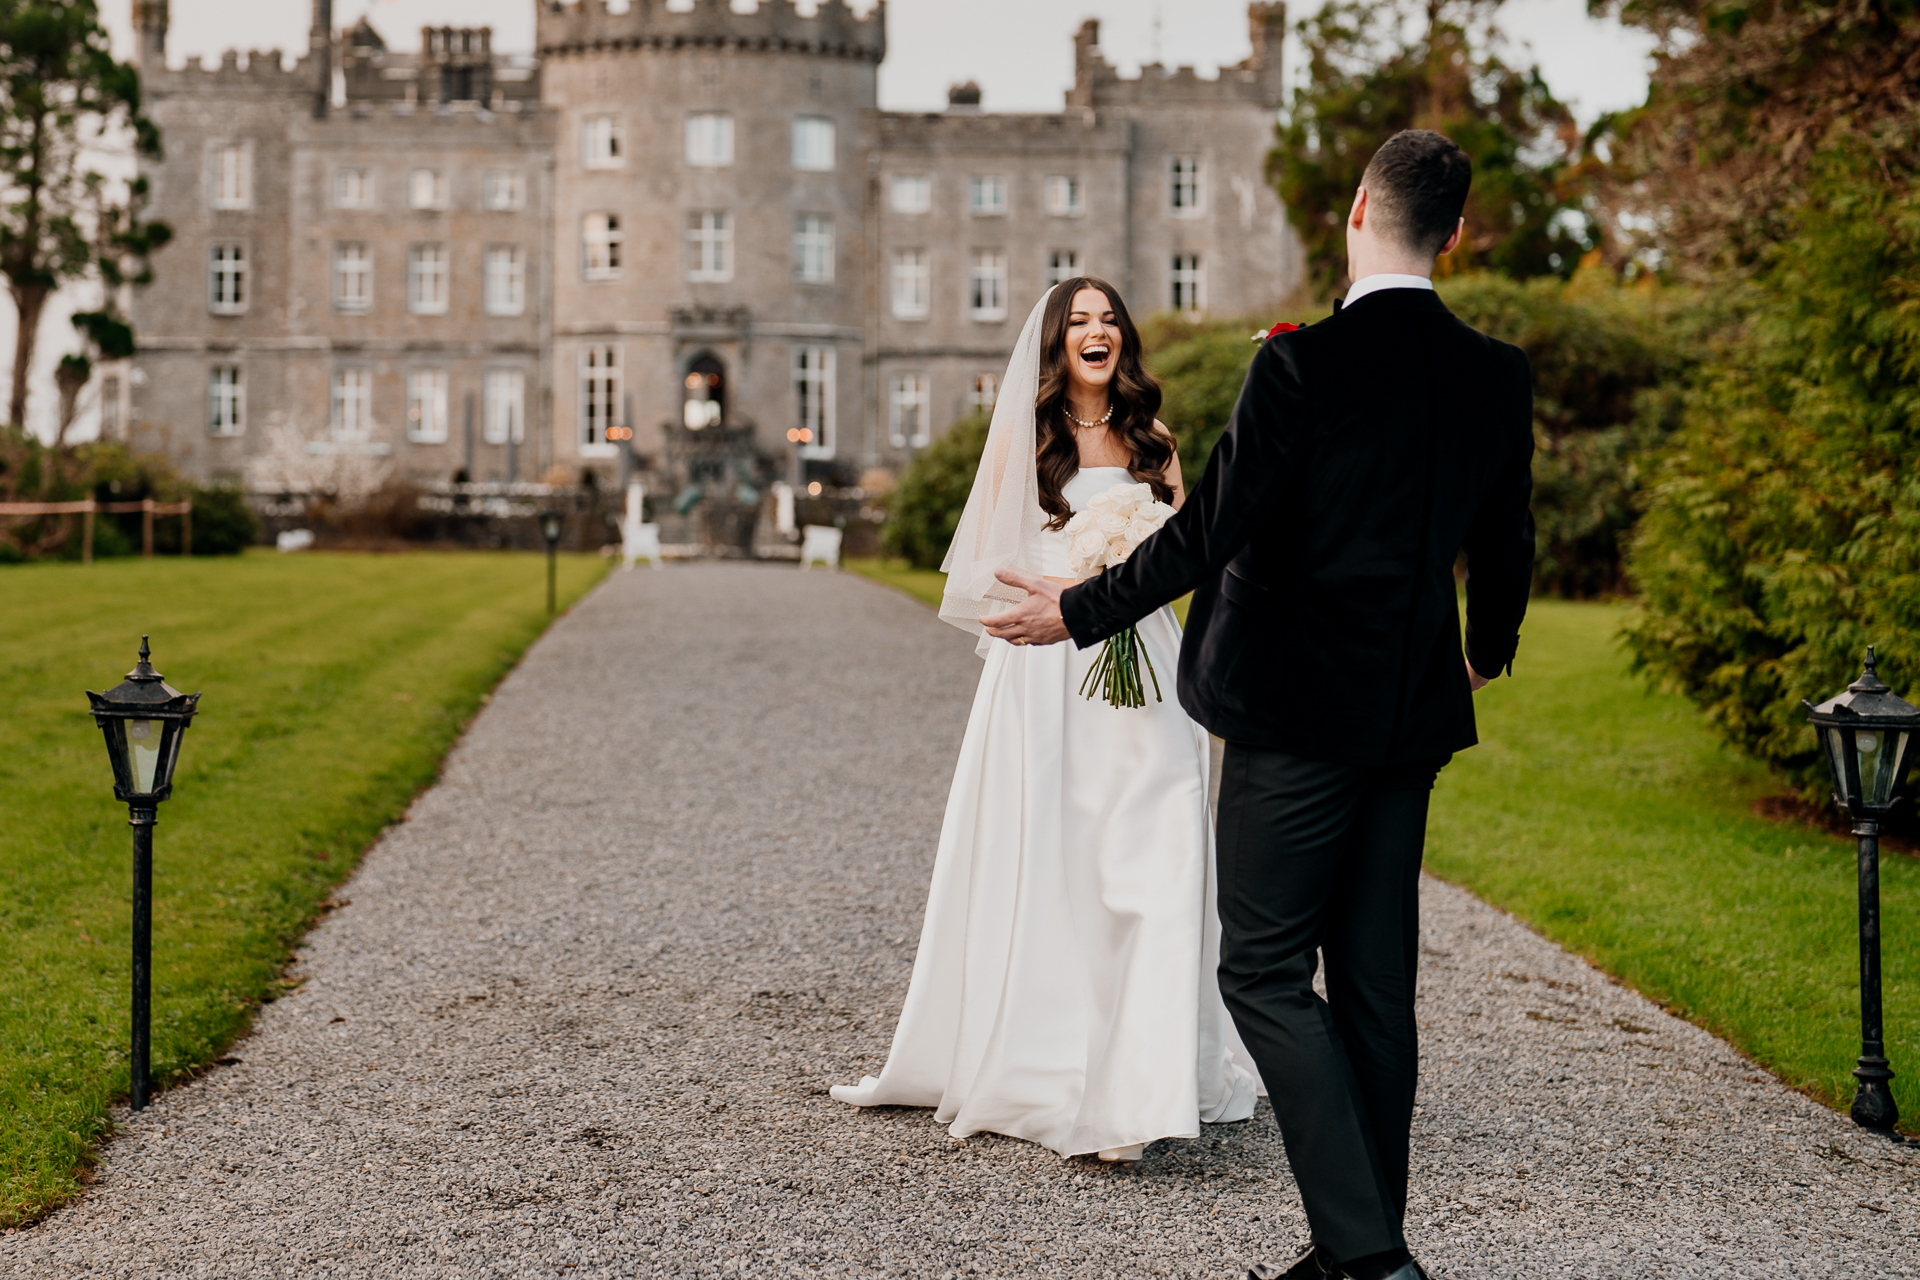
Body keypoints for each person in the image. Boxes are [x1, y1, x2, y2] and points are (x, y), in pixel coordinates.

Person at [980, 131, 1536, 1280]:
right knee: (1377, 985)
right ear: (1457, 235)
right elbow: (1509, 544)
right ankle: (1356, 1253)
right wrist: (1487, 648)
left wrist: (1081, 609)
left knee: (1266, 972)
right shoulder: (1497, 371)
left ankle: (1370, 1254)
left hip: (1294, 716)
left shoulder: (1299, 363)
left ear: (1354, 212)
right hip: (1410, 717)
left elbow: (1208, 529)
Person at [828, 277, 1261, 1162]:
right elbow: (990, 573)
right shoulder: (1027, 441)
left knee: (1163, 859)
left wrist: (1126, 578)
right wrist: (1071, 585)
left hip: (1152, 670)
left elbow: (1188, 553)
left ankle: (1144, 1086)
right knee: (1061, 862)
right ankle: (1062, 1064)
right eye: (1078, 321)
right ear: (1056, 344)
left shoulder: (1157, 439)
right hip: (1049, 676)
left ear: (1123, 341)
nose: (1095, 332)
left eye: (1108, 320)